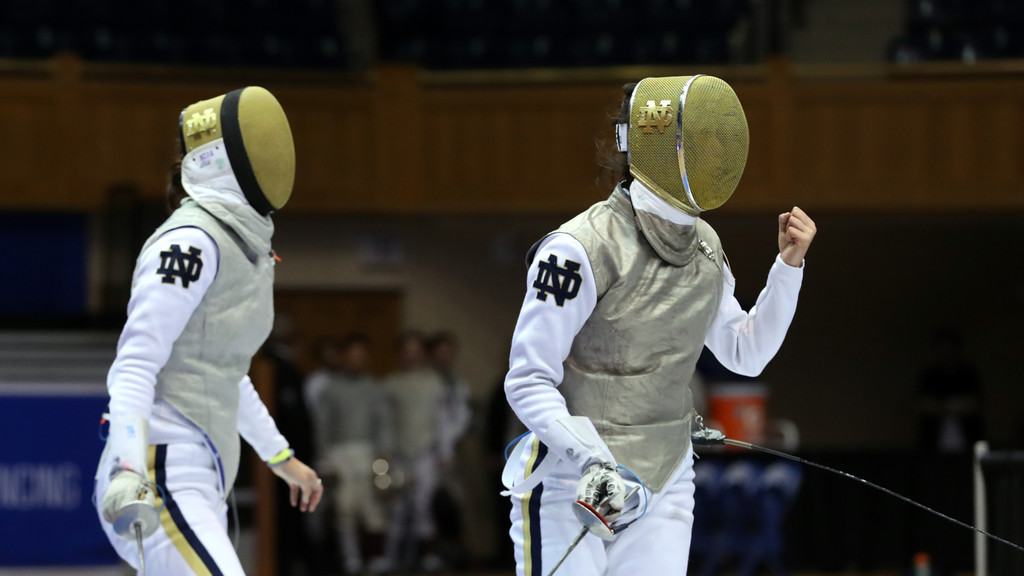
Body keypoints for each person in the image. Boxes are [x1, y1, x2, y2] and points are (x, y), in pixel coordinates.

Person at [502, 76, 816, 575]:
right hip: (570, 481)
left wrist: (788, 269)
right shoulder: (579, 247)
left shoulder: (705, 248)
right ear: (655, 148)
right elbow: (527, 378)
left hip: (665, 479)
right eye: (693, 140)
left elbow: (746, 352)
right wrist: (592, 460)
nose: (711, 154)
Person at [94, 86, 323, 575]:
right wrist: (128, 468)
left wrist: (281, 459)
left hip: (202, 473)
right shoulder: (190, 242)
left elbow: (225, 371)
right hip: (159, 472)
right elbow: (135, 362)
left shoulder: (238, 244)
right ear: (223, 160)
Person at [313, 334, 392, 574]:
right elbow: (322, 426)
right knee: (344, 508)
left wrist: (384, 453)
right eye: (352, 355)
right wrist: (324, 461)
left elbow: (383, 422)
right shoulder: (330, 389)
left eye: (361, 356)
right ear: (343, 357)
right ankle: (351, 559)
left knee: (373, 508)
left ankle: (375, 558)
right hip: (340, 454)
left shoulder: (374, 388)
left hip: (368, 452)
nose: (356, 360)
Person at [382, 331, 446, 571]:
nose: (411, 356)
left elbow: (441, 420)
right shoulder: (391, 384)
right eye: (406, 351)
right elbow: (387, 421)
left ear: (422, 354)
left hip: (426, 453)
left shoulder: (434, 382)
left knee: (423, 506)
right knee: (397, 508)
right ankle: (392, 558)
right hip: (399, 454)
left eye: (415, 351)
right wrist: (386, 449)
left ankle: (428, 556)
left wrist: (444, 452)